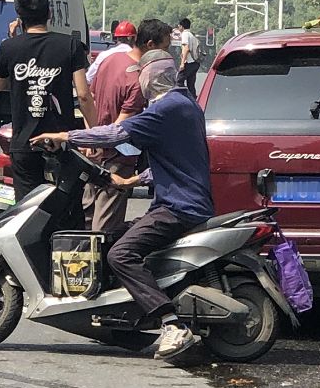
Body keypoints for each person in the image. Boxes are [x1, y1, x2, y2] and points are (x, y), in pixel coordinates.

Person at [32, 50, 213, 359]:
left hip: (178, 207)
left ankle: (171, 324)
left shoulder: (165, 110)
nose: (137, 81)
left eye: (139, 74)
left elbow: (116, 133)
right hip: (181, 202)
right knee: (113, 236)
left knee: (120, 254)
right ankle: (126, 321)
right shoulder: (187, 106)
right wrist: (132, 181)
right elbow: (177, 158)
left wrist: (65, 136)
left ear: (151, 77)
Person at [0, 0, 97, 219]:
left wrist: (14, 44)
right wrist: (93, 133)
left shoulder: (9, 48)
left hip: (25, 143)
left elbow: (0, 86)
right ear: (49, 13)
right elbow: (83, 94)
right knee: (68, 208)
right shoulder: (70, 45)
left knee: (28, 212)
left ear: (19, 18)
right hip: (61, 142)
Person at [82, 19, 173, 231]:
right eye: (165, 48)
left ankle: (80, 261)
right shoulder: (138, 79)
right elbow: (121, 128)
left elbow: (90, 99)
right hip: (116, 156)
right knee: (106, 222)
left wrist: (90, 138)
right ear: (150, 45)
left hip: (93, 151)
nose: (167, 55)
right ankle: (101, 262)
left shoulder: (110, 60)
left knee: (87, 214)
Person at [86, 20, 137, 85]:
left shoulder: (104, 55)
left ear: (115, 37)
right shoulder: (136, 57)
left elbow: (88, 78)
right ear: (133, 38)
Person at [177, 18, 200, 98]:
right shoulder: (192, 34)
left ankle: (182, 99)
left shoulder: (185, 34)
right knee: (191, 85)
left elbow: (186, 48)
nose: (178, 27)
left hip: (189, 63)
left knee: (179, 82)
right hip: (195, 63)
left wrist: (182, 64)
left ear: (182, 26)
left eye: (179, 26)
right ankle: (193, 102)